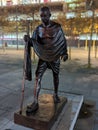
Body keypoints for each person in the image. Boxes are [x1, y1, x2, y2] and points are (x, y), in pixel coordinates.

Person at [24, 6, 68, 114]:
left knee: (56, 76)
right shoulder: (38, 29)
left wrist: (64, 53)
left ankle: (56, 94)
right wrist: (28, 40)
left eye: (45, 15)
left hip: (55, 56)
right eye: (41, 16)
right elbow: (34, 42)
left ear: (50, 15)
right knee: (37, 77)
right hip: (43, 58)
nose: (43, 18)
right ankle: (35, 101)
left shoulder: (57, 27)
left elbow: (62, 41)